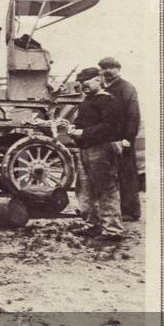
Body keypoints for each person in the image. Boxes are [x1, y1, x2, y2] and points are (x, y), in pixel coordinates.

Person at [67, 67, 125, 243]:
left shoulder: (109, 101)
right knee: (84, 190)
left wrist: (82, 134)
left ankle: (113, 231)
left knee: (106, 189)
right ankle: (92, 225)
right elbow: (81, 122)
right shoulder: (87, 101)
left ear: (98, 80)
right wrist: (73, 129)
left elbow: (109, 128)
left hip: (102, 150)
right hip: (85, 150)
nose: (83, 87)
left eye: (86, 84)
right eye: (81, 85)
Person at [99, 57, 142, 220]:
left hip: (122, 139)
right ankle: (111, 210)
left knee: (126, 173)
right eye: (104, 68)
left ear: (119, 69)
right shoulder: (102, 88)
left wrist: (128, 138)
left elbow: (133, 115)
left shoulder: (126, 88)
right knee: (107, 175)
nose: (107, 71)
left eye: (111, 67)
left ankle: (130, 212)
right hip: (106, 139)